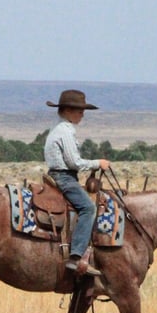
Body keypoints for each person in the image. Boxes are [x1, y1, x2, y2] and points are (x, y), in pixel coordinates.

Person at [44, 89, 110, 276]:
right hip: (64, 177)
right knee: (88, 208)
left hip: (60, 175)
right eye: (79, 110)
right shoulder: (65, 131)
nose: (82, 114)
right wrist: (98, 163)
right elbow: (74, 162)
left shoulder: (58, 128)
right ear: (67, 110)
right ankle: (76, 257)